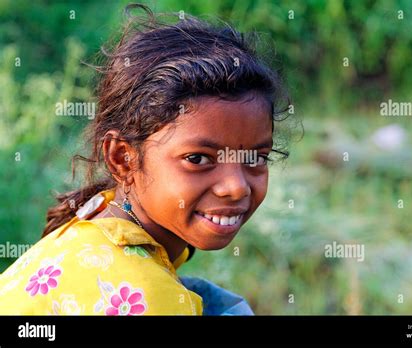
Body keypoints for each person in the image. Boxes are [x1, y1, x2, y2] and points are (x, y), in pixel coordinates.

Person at [0, 4, 290, 315]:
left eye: (255, 157)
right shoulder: (142, 295)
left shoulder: (100, 216)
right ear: (123, 158)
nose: (236, 188)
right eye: (197, 158)